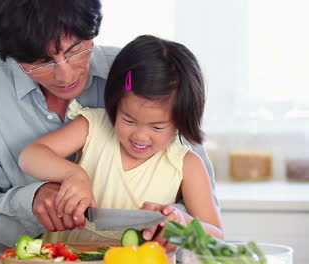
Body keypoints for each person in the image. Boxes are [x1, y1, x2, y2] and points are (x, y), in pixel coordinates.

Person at [0, 0, 219, 252]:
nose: (65, 75)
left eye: (75, 50)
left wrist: (173, 224)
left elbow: (206, 222)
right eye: (41, 62)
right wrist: (33, 198)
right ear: (10, 55)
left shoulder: (138, 77)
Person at [19, 34, 223, 249]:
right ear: (114, 104)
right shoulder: (93, 126)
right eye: (128, 120)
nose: (140, 136)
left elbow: (217, 238)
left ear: (181, 121)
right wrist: (73, 175)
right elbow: (31, 155)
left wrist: (184, 225)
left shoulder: (186, 164)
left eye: (157, 127)